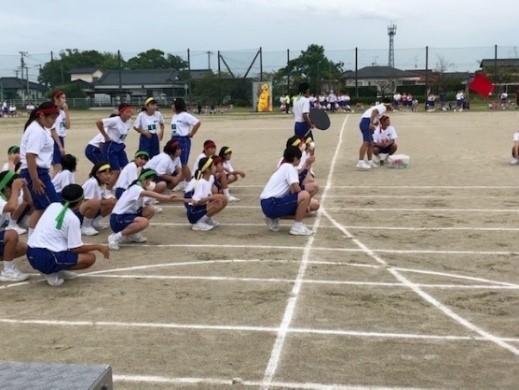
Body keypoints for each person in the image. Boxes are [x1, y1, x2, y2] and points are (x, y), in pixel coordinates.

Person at [26, 183, 110, 286]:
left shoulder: (53, 205)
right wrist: (97, 246)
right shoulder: (72, 219)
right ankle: (50, 272)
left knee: (66, 245)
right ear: (81, 200)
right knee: (90, 258)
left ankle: (57, 269)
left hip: (31, 253)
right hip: (45, 257)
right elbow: (75, 248)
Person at [108, 169, 183, 250]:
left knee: (150, 209)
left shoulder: (141, 188)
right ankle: (115, 237)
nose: (151, 183)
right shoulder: (136, 188)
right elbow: (149, 194)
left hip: (128, 216)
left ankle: (132, 234)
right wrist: (166, 197)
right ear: (144, 179)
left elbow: (148, 203)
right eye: (150, 180)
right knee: (144, 222)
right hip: (117, 219)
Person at [19, 102, 61, 234]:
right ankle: (42, 237)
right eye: (52, 118)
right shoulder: (37, 131)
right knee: (52, 206)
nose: (53, 122)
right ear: (42, 115)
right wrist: (35, 180)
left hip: (38, 172)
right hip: (36, 173)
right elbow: (30, 156)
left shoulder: (39, 128)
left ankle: (33, 239)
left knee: (41, 207)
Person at [260, 146, 314, 236]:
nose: (300, 160)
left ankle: (272, 217)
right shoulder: (290, 168)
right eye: (299, 158)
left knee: (304, 207)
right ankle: (297, 227)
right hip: (272, 203)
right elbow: (296, 188)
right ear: (295, 158)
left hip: (266, 203)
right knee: (305, 195)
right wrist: (305, 200)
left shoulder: (284, 167)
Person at [0, 171, 29, 282]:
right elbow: (12, 207)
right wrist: (15, 189)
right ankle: (8, 271)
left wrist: (25, 187)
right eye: (17, 190)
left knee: (23, 248)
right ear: (7, 189)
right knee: (12, 234)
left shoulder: (8, 198)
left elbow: (27, 201)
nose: (18, 193)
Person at [96, 103, 134, 189]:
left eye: (130, 112)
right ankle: (107, 191)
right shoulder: (115, 120)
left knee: (126, 168)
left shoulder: (129, 121)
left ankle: (124, 187)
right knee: (116, 171)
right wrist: (105, 136)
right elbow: (98, 122)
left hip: (120, 146)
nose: (129, 114)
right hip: (111, 146)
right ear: (121, 112)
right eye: (127, 112)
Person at [184, 157, 228, 231]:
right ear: (207, 169)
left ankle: (205, 219)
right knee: (219, 200)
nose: (215, 167)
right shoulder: (201, 182)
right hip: (194, 212)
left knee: (223, 200)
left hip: (201, 207)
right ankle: (198, 223)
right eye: (213, 166)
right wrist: (212, 197)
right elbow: (195, 202)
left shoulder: (210, 178)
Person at [170, 98, 201, 190]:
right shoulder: (174, 116)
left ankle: (189, 184)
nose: (172, 106)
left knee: (183, 163)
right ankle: (182, 182)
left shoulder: (185, 115)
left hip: (182, 139)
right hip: (174, 139)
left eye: (173, 104)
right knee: (177, 163)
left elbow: (197, 123)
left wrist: (191, 133)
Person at [80, 162, 116, 236]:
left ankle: (94, 222)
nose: (109, 176)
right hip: (80, 212)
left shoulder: (102, 184)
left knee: (112, 200)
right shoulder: (92, 182)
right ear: (97, 174)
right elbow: (87, 201)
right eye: (106, 174)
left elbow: (103, 198)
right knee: (95, 203)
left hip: (89, 209)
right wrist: (106, 202)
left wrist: (110, 201)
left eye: (110, 174)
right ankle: (85, 226)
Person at [357, 100, 391, 170]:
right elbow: (374, 112)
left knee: (371, 143)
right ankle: (360, 162)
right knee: (366, 142)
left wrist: (374, 124)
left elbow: (375, 114)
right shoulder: (383, 107)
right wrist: (371, 124)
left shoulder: (381, 108)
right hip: (366, 121)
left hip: (366, 122)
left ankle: (370, 161)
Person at [49, 91, 71, 176]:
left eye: (65, 98)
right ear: (56, 99)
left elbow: (67, 126)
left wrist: (66, 112)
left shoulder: (62, 113)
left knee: (60, 167)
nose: (64, 100)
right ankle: (53, 187)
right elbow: (52, 130)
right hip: (54, 140)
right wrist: (60, 146)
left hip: (60, 139)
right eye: (62, 98)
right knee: (57, 167)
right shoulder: (52, 113)